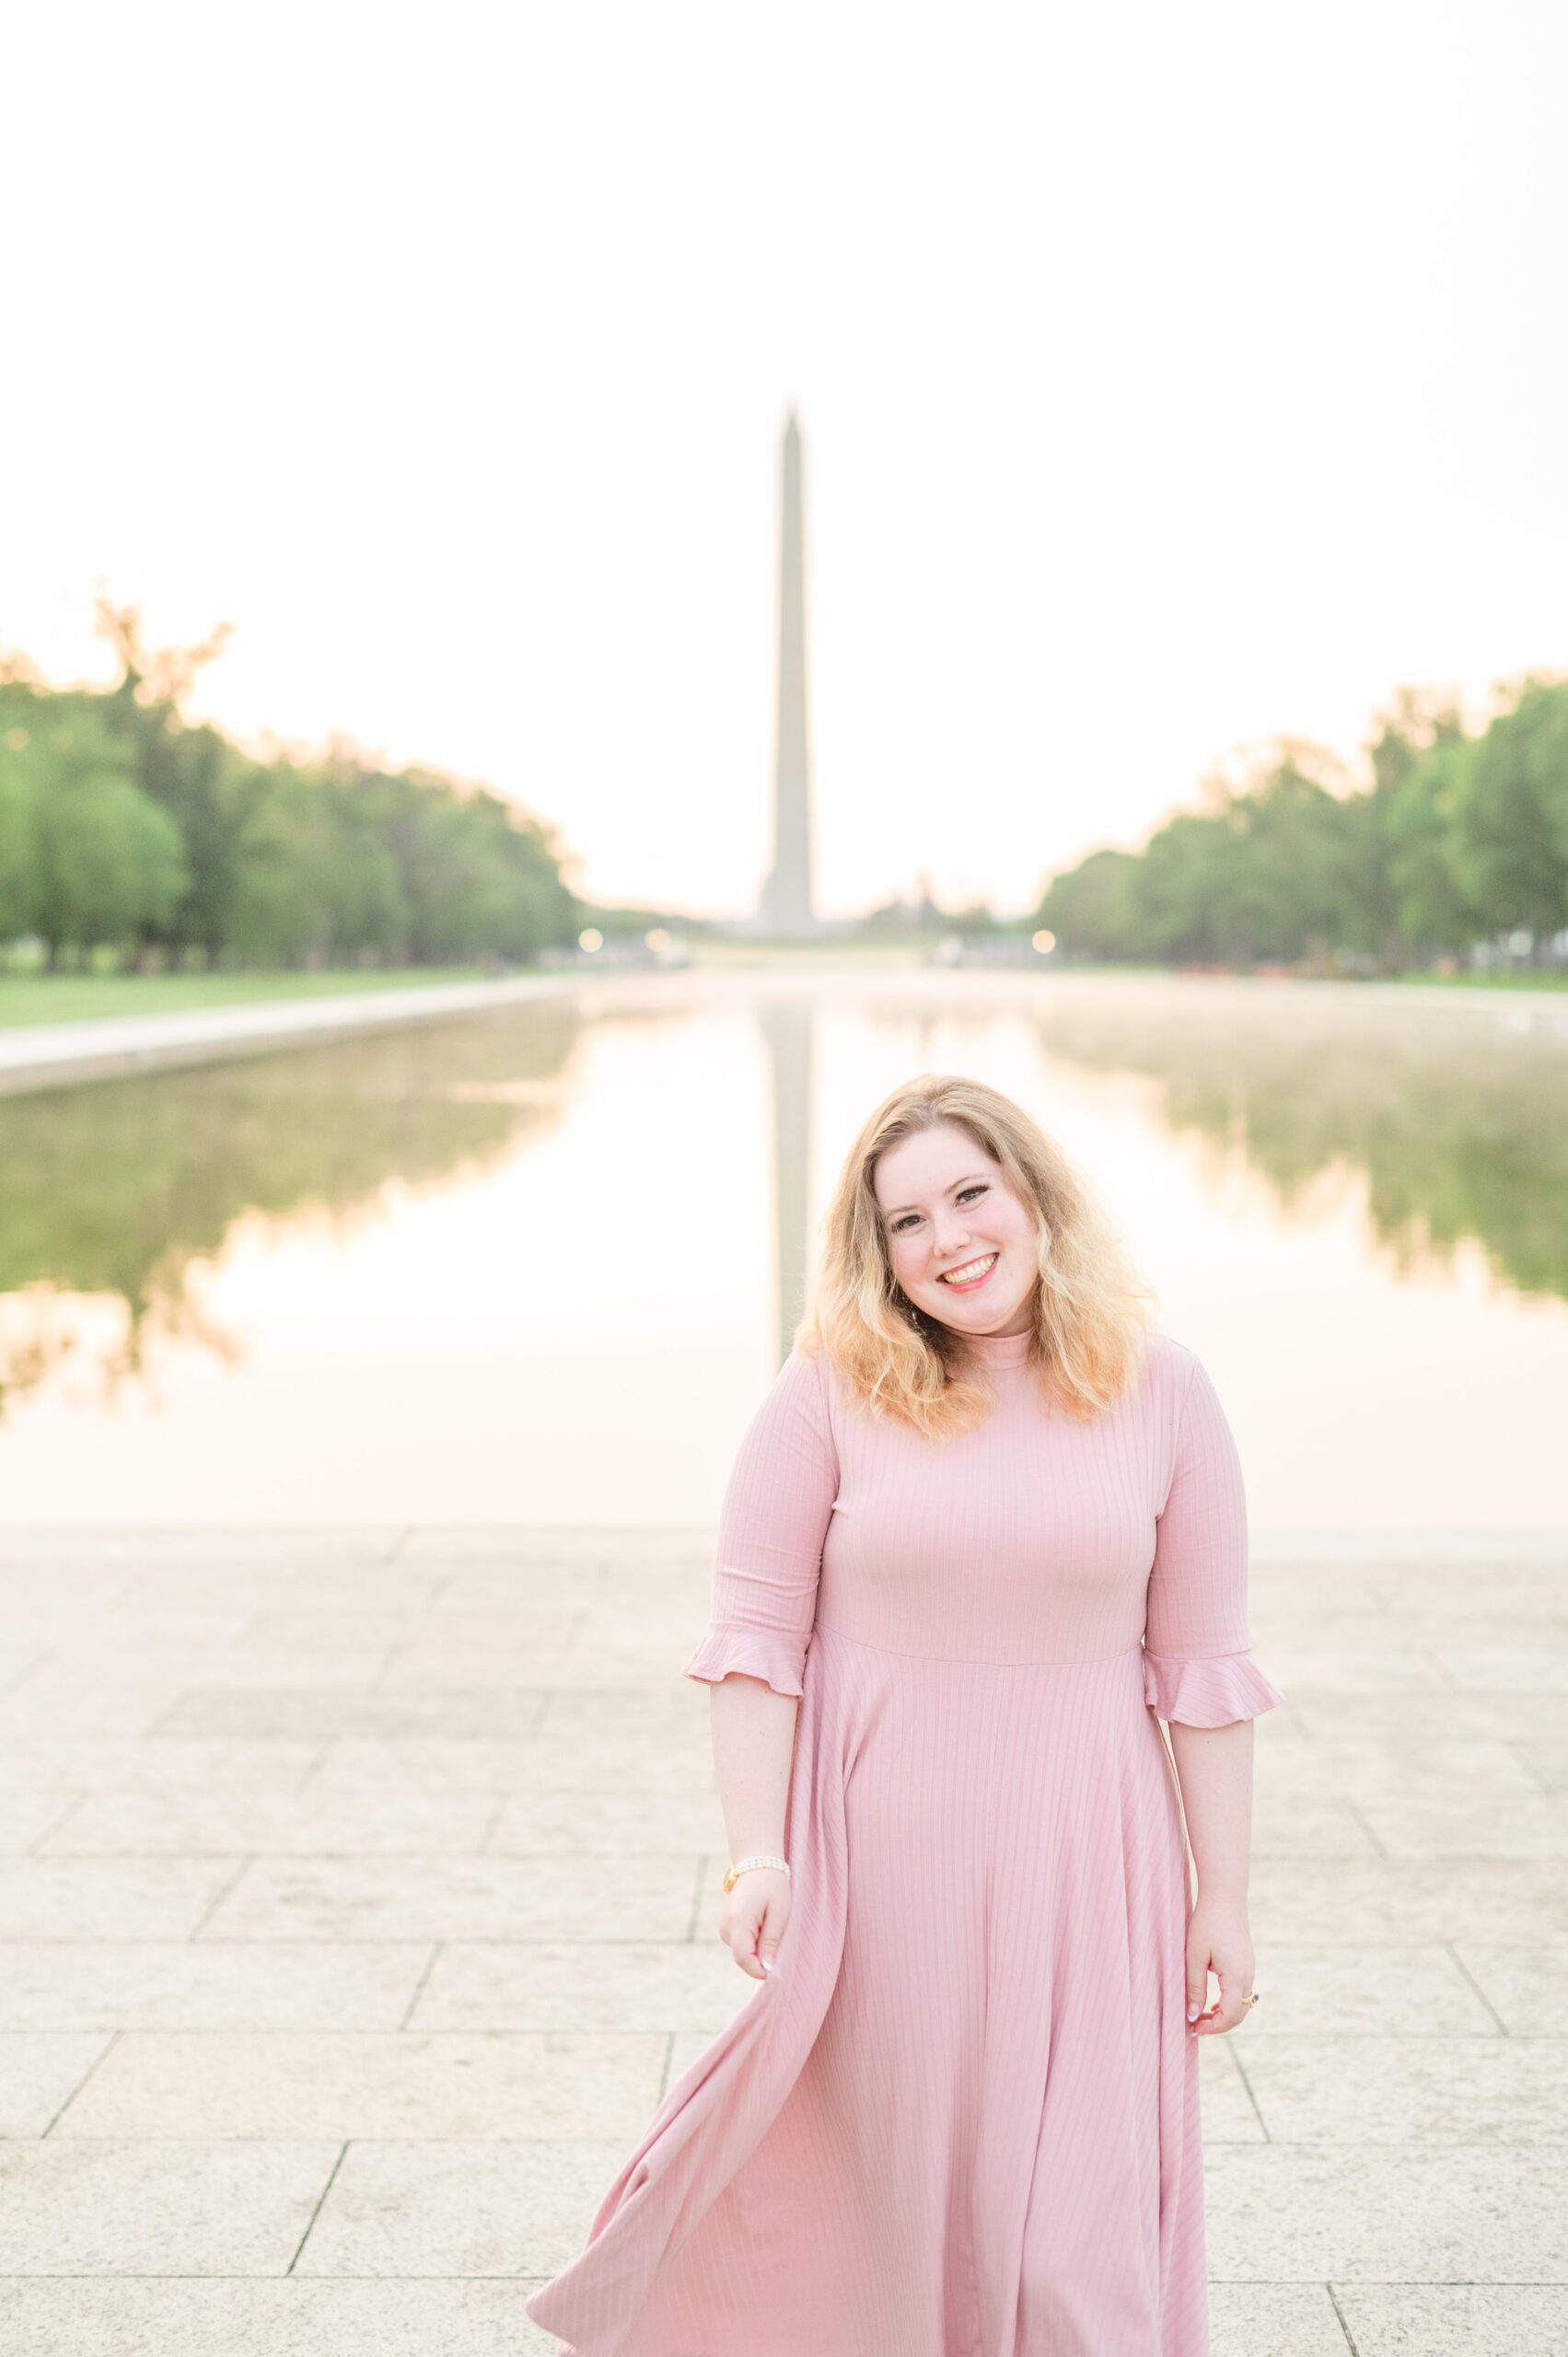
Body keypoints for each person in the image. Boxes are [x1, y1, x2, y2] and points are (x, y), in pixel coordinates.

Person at [525, 1073, 1285, 2357]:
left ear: (1036, 1197)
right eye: (909, 1222)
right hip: (886, 1869)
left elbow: (1203, 1668)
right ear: (875, 1255)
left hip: (1091, 1870)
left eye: (971, 1196)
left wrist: (1223, 1897)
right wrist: (758, 1853)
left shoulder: (1167, 1390)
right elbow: (758, 1642)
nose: (950, 1241)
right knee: (887, 2228)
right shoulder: (831, 1387)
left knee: (1070, 2265)